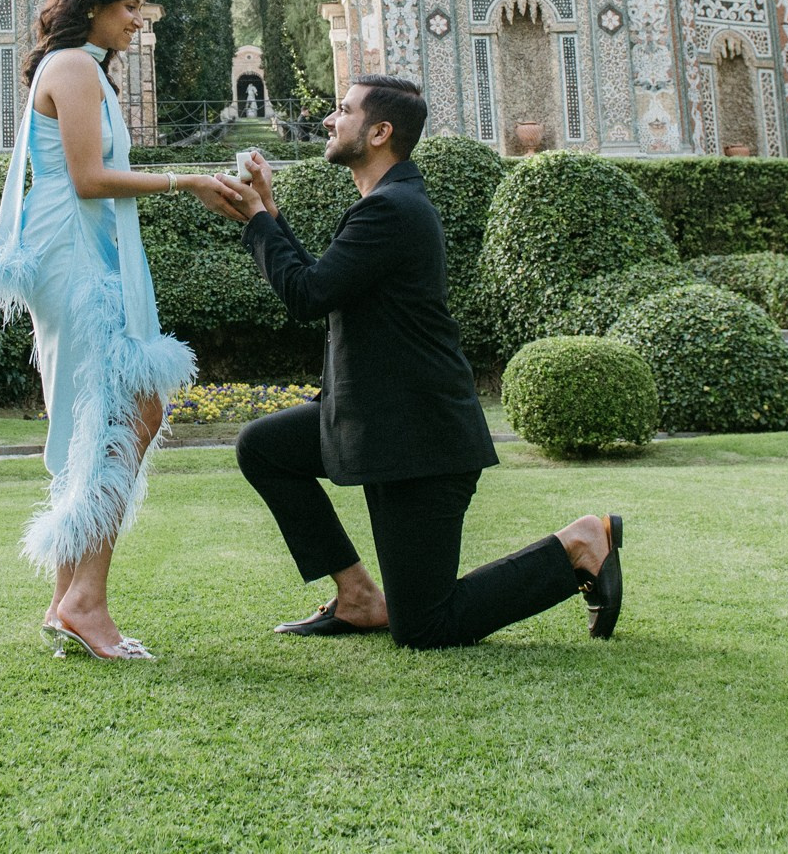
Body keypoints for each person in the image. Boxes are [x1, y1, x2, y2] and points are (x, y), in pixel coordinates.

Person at [214, 75, 625, 648]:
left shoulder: (393, 210)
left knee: (426, 626)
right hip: (376, 422)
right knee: (265, 447)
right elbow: (324, 285)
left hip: (422, 440)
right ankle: (357, 596)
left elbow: (307, 295)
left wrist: (259, 219)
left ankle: (579, 545)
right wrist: (270, 215)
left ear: (379, 132)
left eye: (342, 111)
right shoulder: (385, 206)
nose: (330, 121)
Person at [0, 0, 244, 661]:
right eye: (129, 5)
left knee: (109, 415)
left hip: (89, 248)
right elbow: (91, 178)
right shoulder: (72, 69)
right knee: (127, 409)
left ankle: (70, 600)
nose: (136, 17)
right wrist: (186, 179)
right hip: (76, 255)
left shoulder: (82, 68)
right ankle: (84, 599)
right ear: (92, 3)